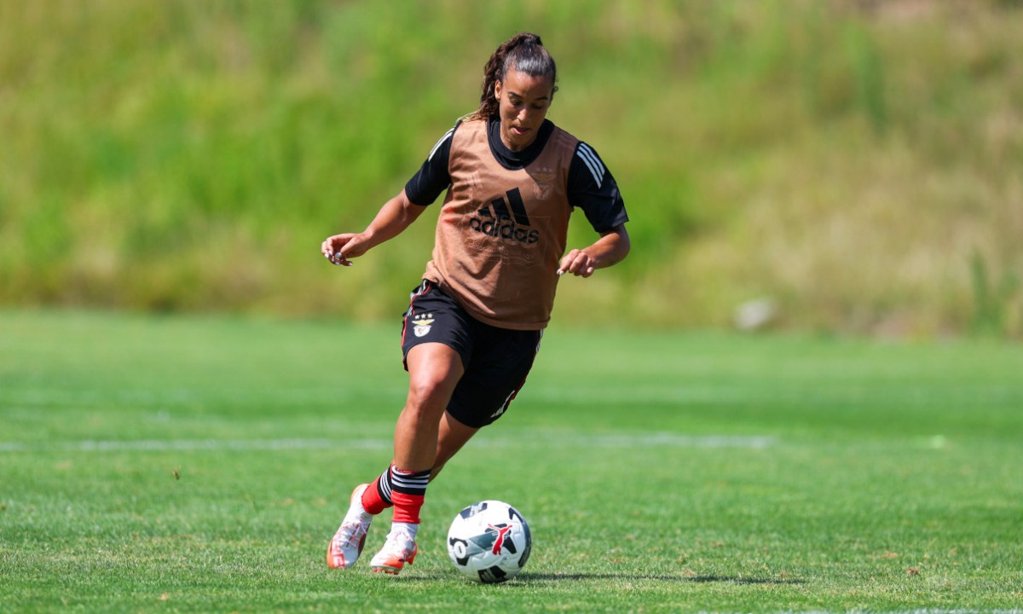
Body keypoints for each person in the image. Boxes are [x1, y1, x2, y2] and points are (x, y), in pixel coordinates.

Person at [320, 32, 630, 575]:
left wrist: (592, 255)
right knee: (429, 383)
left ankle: (365, 503)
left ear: (551, 100)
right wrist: (366, 238)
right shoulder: (464, 138)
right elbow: (410, 202)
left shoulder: (574, 159)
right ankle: (404, 534)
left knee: (425, 459)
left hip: (515, 330)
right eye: (515, 101)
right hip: (448, 297)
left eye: (539, 105)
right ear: (497, 88)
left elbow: (619, 237)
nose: (524, 115)